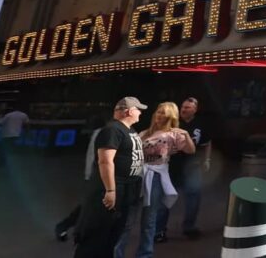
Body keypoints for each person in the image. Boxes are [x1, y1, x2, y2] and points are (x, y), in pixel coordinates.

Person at [116, 101, 195, 258]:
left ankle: (145, 254)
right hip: (136, 176)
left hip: (155, 177)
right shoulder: (144, 133)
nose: (160, 116)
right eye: (159, 112)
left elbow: (190, 150)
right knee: (127, 219)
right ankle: (116, 253)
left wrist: (185, 134)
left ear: (170, 116)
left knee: (149, 220)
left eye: (164, 113)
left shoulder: (174, 134)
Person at [73, 97, 147, 258]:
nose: (140, 112)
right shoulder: (112, 130)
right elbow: (105, 160)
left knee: (112, 236)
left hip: (126, 189)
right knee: (97, 235)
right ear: (128, 111)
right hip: (112, 189)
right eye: (138, 109)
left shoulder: (129, 130)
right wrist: (110, 190)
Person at [157, 97, 211, 242]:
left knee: (193, 198)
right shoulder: (172, 122)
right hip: (172, 168)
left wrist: (207, 160)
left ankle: (189, 227)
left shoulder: (200, 125)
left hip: (192, 168)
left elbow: (207, 143)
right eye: (182, 107)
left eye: (187, 107)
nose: (183, 109)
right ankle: (159, 231)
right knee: (165, 200)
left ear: (195, 109)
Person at [56, 114, 108, 241]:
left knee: (91, 205)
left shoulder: (98, 134)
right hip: (98, 177)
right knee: (89, 206)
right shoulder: (102, 135)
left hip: (96, 176)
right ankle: (69, 228)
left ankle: (68, 227)